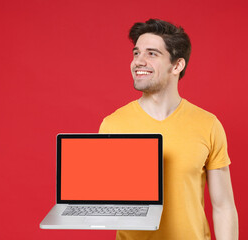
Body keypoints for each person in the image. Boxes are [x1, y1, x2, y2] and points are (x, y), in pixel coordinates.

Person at [99, 19, 238, 240]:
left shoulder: (208, 124)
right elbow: (105, 201)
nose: (138, 61)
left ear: (177, 65)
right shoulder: (112, 124)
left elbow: (223, 207)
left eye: (152, 54)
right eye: (136, 53)